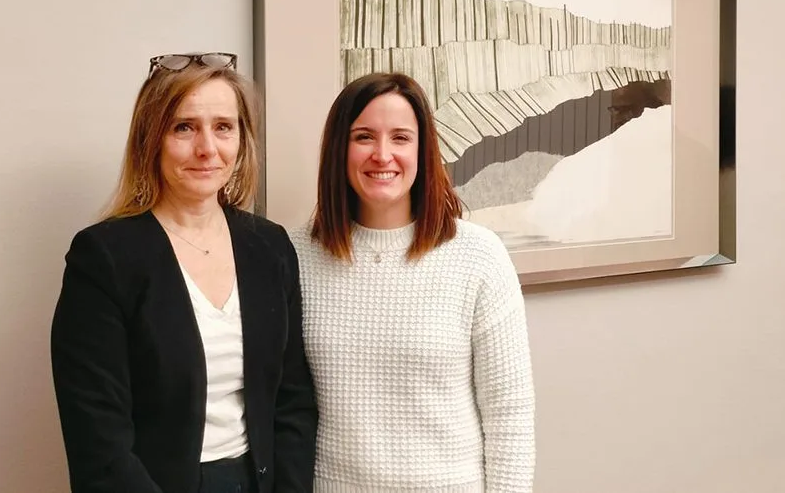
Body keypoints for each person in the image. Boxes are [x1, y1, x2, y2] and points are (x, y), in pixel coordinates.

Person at [51, 52, 318, 493]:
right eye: (184, 127)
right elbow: (97, 439)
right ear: (151, 139)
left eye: (223, 127)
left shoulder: (269, 246)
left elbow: (292, 402)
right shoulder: (104, 257)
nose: (207, 148)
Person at [289, 72, 536, 493]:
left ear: (423, 150)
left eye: (401, 138)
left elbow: (509, 413)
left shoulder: (479, 256)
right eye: (364, 137)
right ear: (339, 149)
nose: (382, 155)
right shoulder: (294, 256)